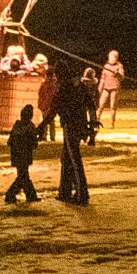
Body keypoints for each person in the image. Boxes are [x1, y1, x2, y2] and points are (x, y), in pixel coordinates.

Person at [47, 71, 91, 204]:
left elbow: (53, 111)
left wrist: (41, 126)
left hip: (70, 125)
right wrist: (91, 123)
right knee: (66, 158)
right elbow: (90, 104)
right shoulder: (78, 87)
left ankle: (81, 193)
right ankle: (65, 191)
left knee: (74, 158)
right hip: (80, 124)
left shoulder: (63, 90)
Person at [4, 105, 40, 205]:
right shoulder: (30, 127)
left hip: (16, 155)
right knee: (23, 177)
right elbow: (34, 143)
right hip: (25, 156)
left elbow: (10, 142)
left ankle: (28, 195)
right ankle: (12, 194)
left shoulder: (16, 126)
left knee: (23, 176)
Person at [98, 50, 125, 127]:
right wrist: (100, 88)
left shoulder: (119, 66)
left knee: (113, 106)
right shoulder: (106, 66)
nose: (113, 58)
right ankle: (96, 120)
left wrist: (118, 74)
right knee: (101, 105)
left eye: (114, 57)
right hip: (106, 88)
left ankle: (111, 124)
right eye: (111, 57)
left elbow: (122, 77)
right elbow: (102, 78)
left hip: (114, 88)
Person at [35, 56, 59, 143]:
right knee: (52, 122)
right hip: (52, 105)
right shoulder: (55, 84)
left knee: (45, 121)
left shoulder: (44, 84)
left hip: (45, 105)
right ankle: (52, 137)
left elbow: (40, 94)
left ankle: (44, 136)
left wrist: (40, 104)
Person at [79, 67, 103, 145]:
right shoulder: (93, 85)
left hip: (83, 105)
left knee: (83, 121)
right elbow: (96, 95)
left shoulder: (82, 84)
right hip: (91, 105)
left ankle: (84, 136)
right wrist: (97, 104)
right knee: (93, 122)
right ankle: (91, 138)